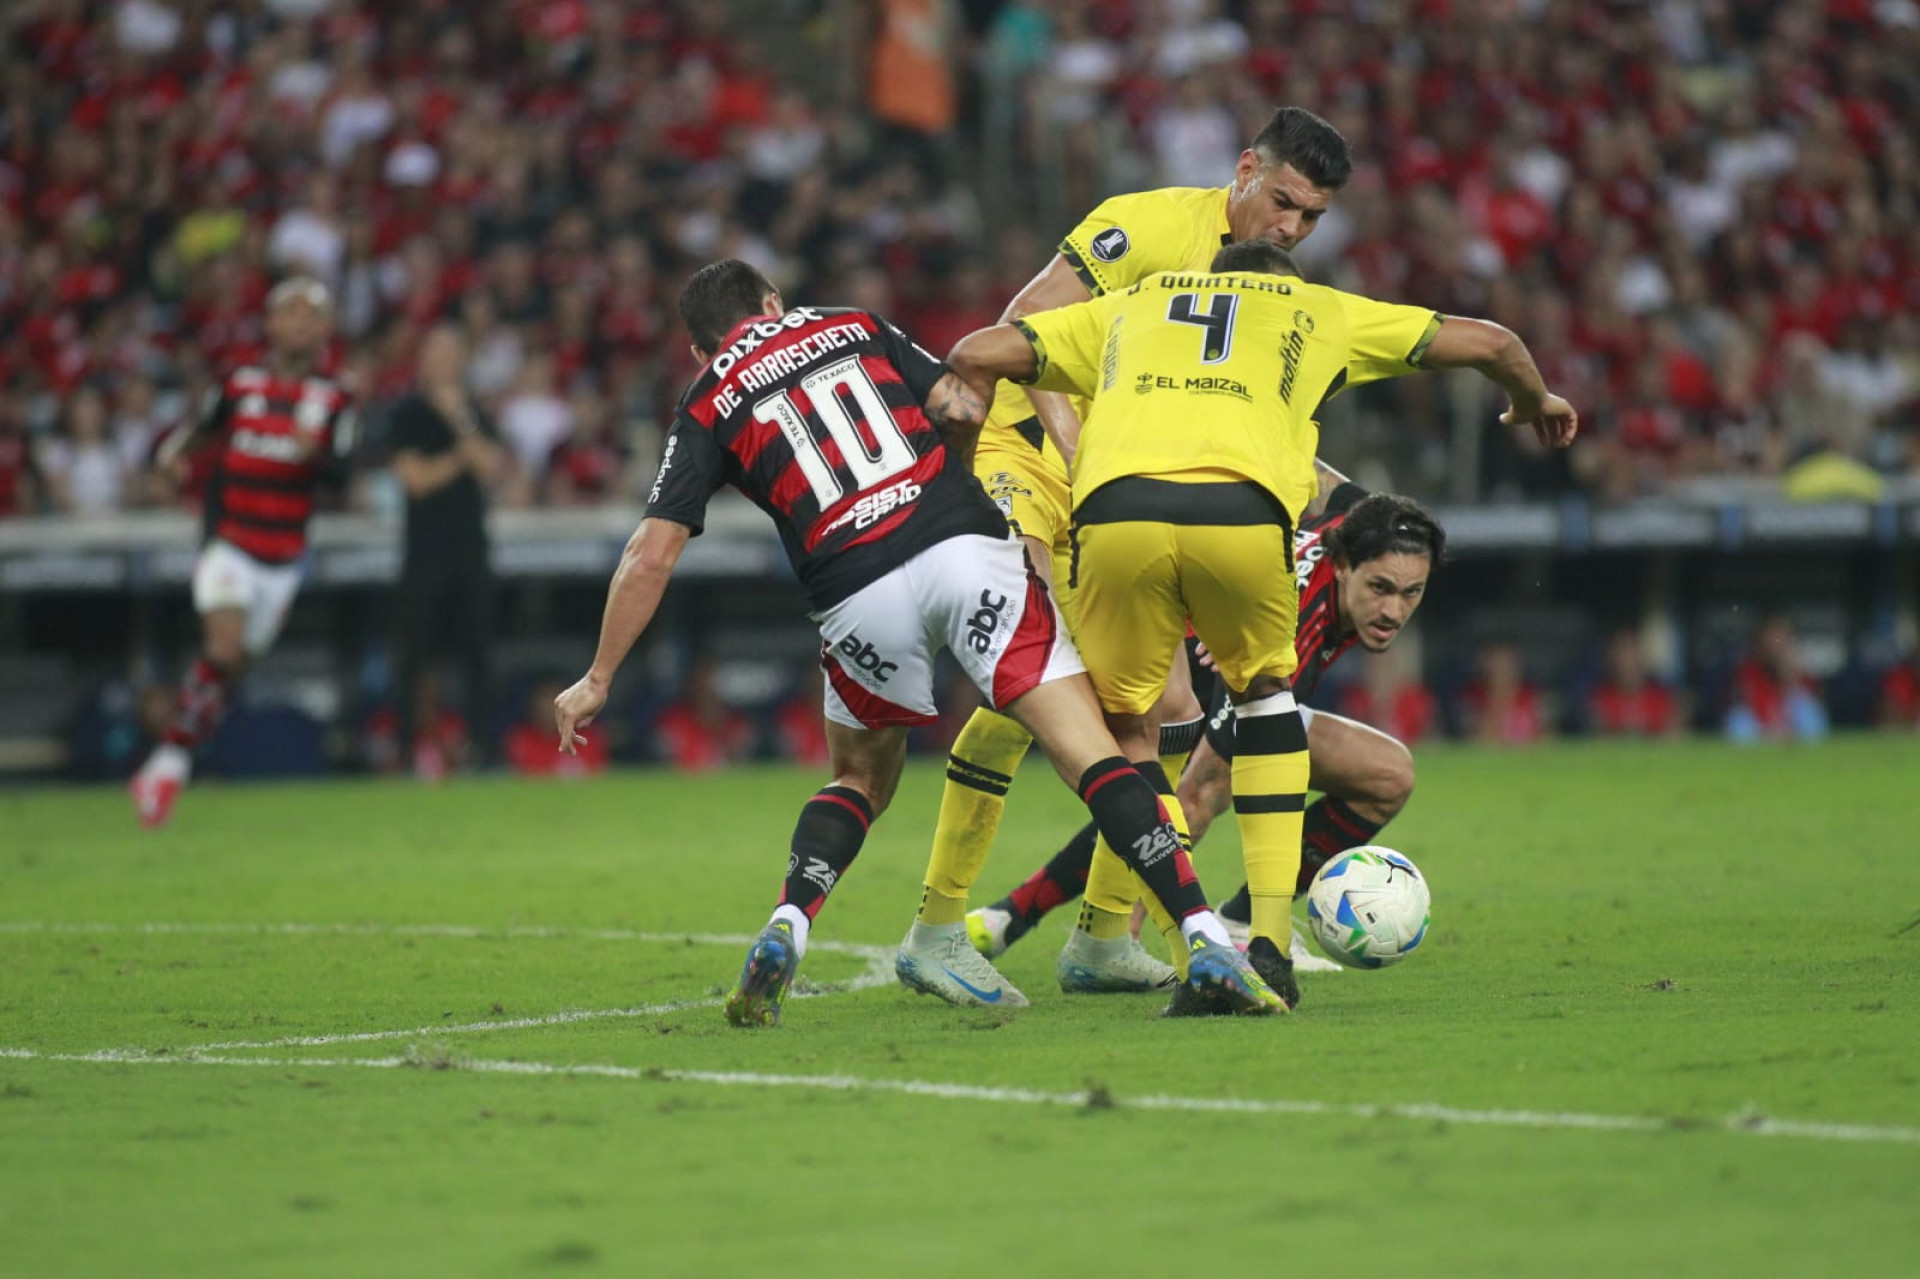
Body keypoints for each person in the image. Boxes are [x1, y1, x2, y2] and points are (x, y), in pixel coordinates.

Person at [551, 259, 1279, 1027]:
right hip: (961, 547)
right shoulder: (852, 323)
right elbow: (961, 405)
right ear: (773, 302)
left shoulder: (705, 399)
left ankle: (788, 923)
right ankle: (1201, 936)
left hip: (855, 589)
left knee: (860, 777)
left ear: (700, 350)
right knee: (1092, 751)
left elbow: (651, 553)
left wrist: (597, 676)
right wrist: (956, 482)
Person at [944, 237, 1577, 1009]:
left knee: (1136, 741)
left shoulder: (1134, 304)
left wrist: (966, 467)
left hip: (1113, 517)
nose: (1394, 606)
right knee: (1265, 705)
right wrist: (1531, 399)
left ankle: (1186, 935)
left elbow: (978, 353)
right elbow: (1494, 340)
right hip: (1240, 521)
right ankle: (1262, 944)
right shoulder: (1310, 309)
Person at [913, 105, 1361, 996]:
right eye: (1282, 202)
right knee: (1024, 674)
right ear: (1242, 168)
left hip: (1124, 492)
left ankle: (1100, 936)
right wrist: (1083, 450)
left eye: (1312, 217)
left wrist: (1354, 504)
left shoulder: (1270, 293)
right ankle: (935, 925)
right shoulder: (1146, 223)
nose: (1292, 228)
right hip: (1031, 459)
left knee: (1163, 702)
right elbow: (1026, 319)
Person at [969, 479, 1446, 979]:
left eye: (1411, 592)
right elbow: (1200, 792)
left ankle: (1232, 921)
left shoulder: (1355, 523)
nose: (1394, 611)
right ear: (1345, 565)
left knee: (1387, 776)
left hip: (1210, 649)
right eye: (1380, 589)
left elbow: (1319, 473)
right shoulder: (1294, 632)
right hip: (1180, 668)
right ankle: (1103, 940)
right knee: (1191, 797)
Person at [129, 277, 357, 826]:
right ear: (272, 324)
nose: (300, 324)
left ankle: (168, 758)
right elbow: (194, 434)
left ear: (324, 330)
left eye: (311, 316)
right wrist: (172, 460)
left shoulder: (335, 399)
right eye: (290, 313)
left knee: (226, 676)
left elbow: (343, 475)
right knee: (224, 650)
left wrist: (317, 456)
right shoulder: (238, 385)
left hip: (283, 558)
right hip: (230, 541)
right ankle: (168, 768)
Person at [386, 324, 503, 771]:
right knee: (413, 656)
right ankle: (403, 750)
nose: (442, 359)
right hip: (424, 552)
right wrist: (461, 457)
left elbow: (491, 467)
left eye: (450, 351)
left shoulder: (473, 412)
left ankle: (482, 751)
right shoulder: (407, 413)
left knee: (478, 655)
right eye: (434, 350)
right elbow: (415, 480)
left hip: (471, 549)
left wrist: (460, 420)